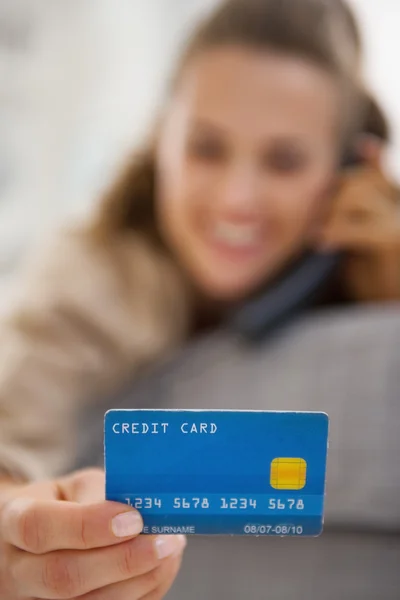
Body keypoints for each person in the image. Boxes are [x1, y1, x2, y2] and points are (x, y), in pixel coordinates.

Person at [0, 0, 399, 598]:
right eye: (206, 148)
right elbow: (16, 421)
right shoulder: (98, 272)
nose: (237, 199)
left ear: (346, 168)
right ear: (161, 138)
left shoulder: (372, 259)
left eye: (284, 160)